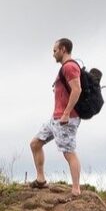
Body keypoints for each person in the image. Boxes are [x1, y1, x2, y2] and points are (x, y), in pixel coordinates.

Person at [31, 38, 83, 195]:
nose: (53, 54)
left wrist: (67, 112)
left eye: (55, 51)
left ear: (63, 49)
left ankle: (76, 189)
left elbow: (77, 89)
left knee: (69, 152)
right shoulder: (64, 69)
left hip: (66, 118)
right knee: (35, 144)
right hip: (56, 118)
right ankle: (41, 179)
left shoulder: (70, 67)